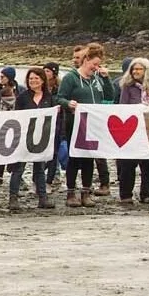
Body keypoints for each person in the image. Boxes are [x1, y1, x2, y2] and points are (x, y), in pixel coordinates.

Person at [55, 42, 116, 208]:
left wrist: (106, 78)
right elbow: (59, 98)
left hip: (93, 124)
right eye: (94, 64)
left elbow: (110, 96)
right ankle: (70, 192)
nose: (95, 67)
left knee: (89, 157)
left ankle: (86, 192)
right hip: (75, 123)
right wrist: (69, 103)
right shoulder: (71, 78)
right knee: (74, 157)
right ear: (86, 60)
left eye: (98, 65)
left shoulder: (97, 78)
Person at [8, 68, 57, 210]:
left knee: (40, 169)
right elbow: (16, 117)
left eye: (36, 78)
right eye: (30, 79)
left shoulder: (50, 98)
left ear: (42, 80)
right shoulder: (22, 97)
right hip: (25, 138)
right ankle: (13, 198)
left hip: (42, 138)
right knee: (18, 168)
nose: (33, 81)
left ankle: (42, 198)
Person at [117, 58, 149, 205]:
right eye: (133, 69)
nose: (135, 72)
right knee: (128, 164)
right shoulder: (127, 87)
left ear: (145, 71)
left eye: (138, 69)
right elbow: (123, 107)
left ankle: (147, 194)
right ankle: (125, 195)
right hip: (132, 131)